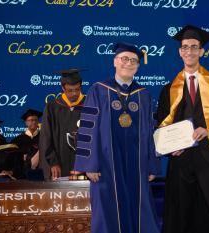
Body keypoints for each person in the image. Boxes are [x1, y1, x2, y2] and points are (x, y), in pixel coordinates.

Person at [156, 25, 209, 233]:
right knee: (182, 218)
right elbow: (160, 126)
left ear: (202, 51)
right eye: (185, 47)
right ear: (179, 52)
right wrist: (169, 148)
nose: (189, 51)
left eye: (194, 47)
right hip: (181, 163)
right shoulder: (169, 89)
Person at [74, 42, 160, 233]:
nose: (128, 63)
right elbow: (87, 129)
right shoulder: (98, 90)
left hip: (137, 166)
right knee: (107, 211)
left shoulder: (143, 94)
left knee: (139, 211)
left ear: (138, 66)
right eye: (124, 59)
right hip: (105, 165)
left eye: (133, 60)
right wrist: (90, 164)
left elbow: (151, 134)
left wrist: (152, 164)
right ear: (115, 61)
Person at [39, 69, 86, 179]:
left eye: (77, 89)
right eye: (70, 90)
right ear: (62, 88)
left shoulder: (90, 105)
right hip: (59, 163)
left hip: (84, 165)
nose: (74, 93)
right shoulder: (52, 107)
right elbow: (46, 138)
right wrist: (53, 162)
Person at [11, 109, 44, 180]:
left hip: (41, 171)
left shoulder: (44, 138)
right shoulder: (17, 140)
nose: (34, 122)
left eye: (36, 120)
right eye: (31, 120)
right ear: (26, 122)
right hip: (22, 173)